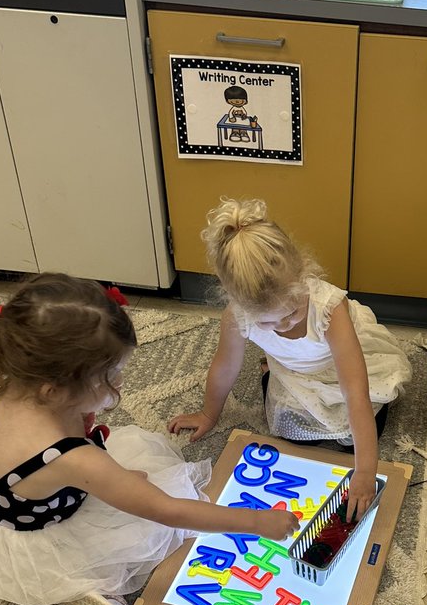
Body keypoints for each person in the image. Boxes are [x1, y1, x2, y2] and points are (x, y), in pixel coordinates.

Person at [0, 274, 298, 605]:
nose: (119, 386)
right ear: (55, 390)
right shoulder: (73, 459)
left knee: (131, 478)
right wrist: (256, 521)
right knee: (146, 522)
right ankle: (76, 587)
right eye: (111, 378)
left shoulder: (19, 379)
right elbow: (168, 511)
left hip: (1, 487)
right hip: (37, 530)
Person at [168, 199, 411, 521]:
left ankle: (272, 371)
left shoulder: (329, 308)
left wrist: (365, 473)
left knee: (358, 438)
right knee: (286, 433)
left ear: (303, 272)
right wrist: (208, 414)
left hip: (347, 364)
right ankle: (271, 370)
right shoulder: (236, 316)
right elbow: (225, 367)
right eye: (269, 323)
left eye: (292, 312)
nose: (283, 326)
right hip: (296, 371)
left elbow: (355, 390)